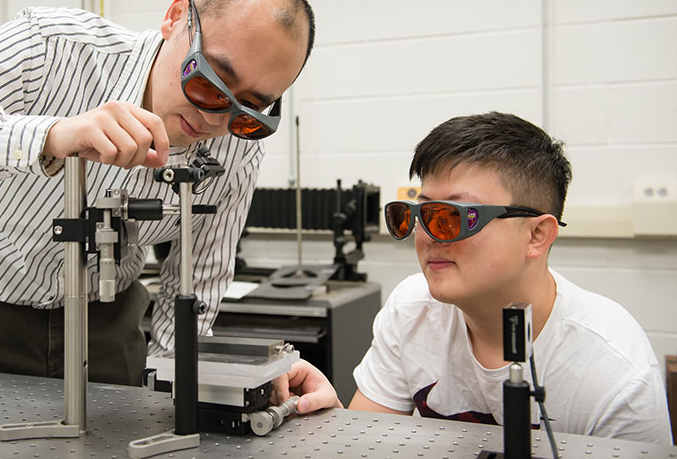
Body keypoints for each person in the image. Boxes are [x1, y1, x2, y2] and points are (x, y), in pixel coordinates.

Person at [0, 0, 315, 386]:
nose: (216, 120)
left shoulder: (235, 143)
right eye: (210, 80)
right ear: (176, 17)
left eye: (249, 109)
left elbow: (200, 276)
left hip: (107, 323)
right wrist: (48, 136)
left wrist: (171, 387)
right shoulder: (52, 45)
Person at [275, 112, 672, 444]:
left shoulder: (613, 370)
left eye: (453, 217)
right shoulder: (412, 308)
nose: (427, 236)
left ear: (537, 235)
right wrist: (327, 420)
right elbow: (366, 444)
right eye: (418, 215)